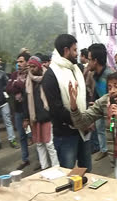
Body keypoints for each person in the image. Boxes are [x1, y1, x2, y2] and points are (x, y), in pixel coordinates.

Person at [42, 34, 92, 172]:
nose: (77, 54)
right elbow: (56, 110)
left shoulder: (76, 69)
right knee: (68, 174)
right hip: (65, 135)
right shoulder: (51, 76)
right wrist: (81, 121)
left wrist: (88, 118)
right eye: (74, 50)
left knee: (86, 170)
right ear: (66, 50)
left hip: (84, 130)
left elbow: (84, 94)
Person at [22, 56, 59, 170]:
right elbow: (25, 100)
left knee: (49, 144)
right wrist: (26, 118)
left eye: (33, 66)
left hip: (48, 117)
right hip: (35, 117)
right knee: (39, 144)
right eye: (30, 66)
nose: (31, 69)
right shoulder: (28, 81)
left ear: (38, 66)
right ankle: (44, 167)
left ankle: (56, 168)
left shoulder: (47, 78)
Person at [85, 43, 113, 161]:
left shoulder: (110, 75)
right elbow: (95, 90)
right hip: (100, 107)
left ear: (95, 61)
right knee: (99, 128)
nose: (88, 63)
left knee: (112, 132)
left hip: (111, 111)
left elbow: (115, 98)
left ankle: (114, 153)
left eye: (89, 59)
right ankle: (104, 150)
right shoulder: (94, 74)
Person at [6, 52, 30, 170]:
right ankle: (25, 159)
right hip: (18, 110)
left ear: (27, 62)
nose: (18, 64)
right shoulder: (14, 74)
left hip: (30, 111)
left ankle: (43, 160)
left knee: (36, 137)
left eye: (21, 61)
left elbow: (25, 88)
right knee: (21, 136)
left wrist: (17, 84)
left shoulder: (31, 73)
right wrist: (17, 84)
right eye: (17, 62)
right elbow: (8, 88)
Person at [0, 58, 18, 152]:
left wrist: (5, 92)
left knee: (8, 121)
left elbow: (8, 85)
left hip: (3, 102)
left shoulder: (1, 73)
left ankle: (12, 139)